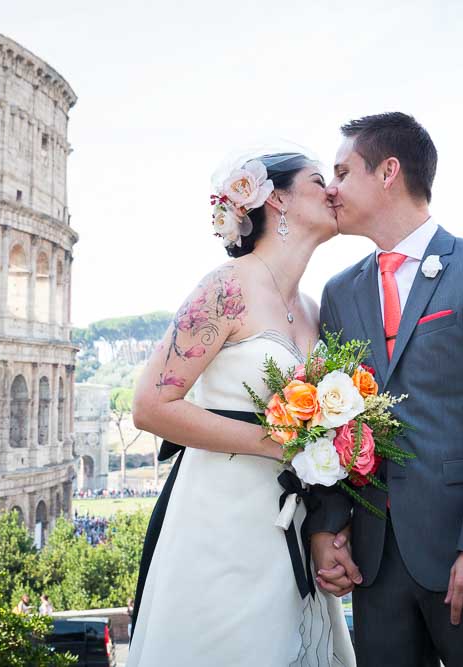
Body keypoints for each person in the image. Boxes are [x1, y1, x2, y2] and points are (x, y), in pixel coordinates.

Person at [307, 112, 463, 666]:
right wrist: (329, 526)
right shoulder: (340, 293)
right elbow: (333, 426)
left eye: (342, 171)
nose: (330, 188)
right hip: (376, 566)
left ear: (389, 171)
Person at [126, 152, 354, 666]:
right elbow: (150, 407)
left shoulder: (316, 310)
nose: (334, 191)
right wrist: (281, 443)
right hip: (220, 520)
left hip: (290, 525)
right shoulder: (225, 287)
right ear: (276, 199)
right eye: (320, 181)